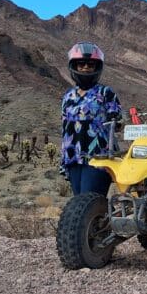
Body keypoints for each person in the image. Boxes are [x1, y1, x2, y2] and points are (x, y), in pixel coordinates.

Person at [59, 42, 122, 196]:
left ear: (97, 67)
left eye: (90, 64)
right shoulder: (68, 95)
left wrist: (114, 117)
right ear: (74, 66)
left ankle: (107, 219)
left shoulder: (106, 93)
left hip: (98, 155)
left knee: (90, 198)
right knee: (79, 201)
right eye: (81, 64)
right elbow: (64, 128)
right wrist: (63, 160)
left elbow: (117, 121)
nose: (86, 67)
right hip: (73, 155)